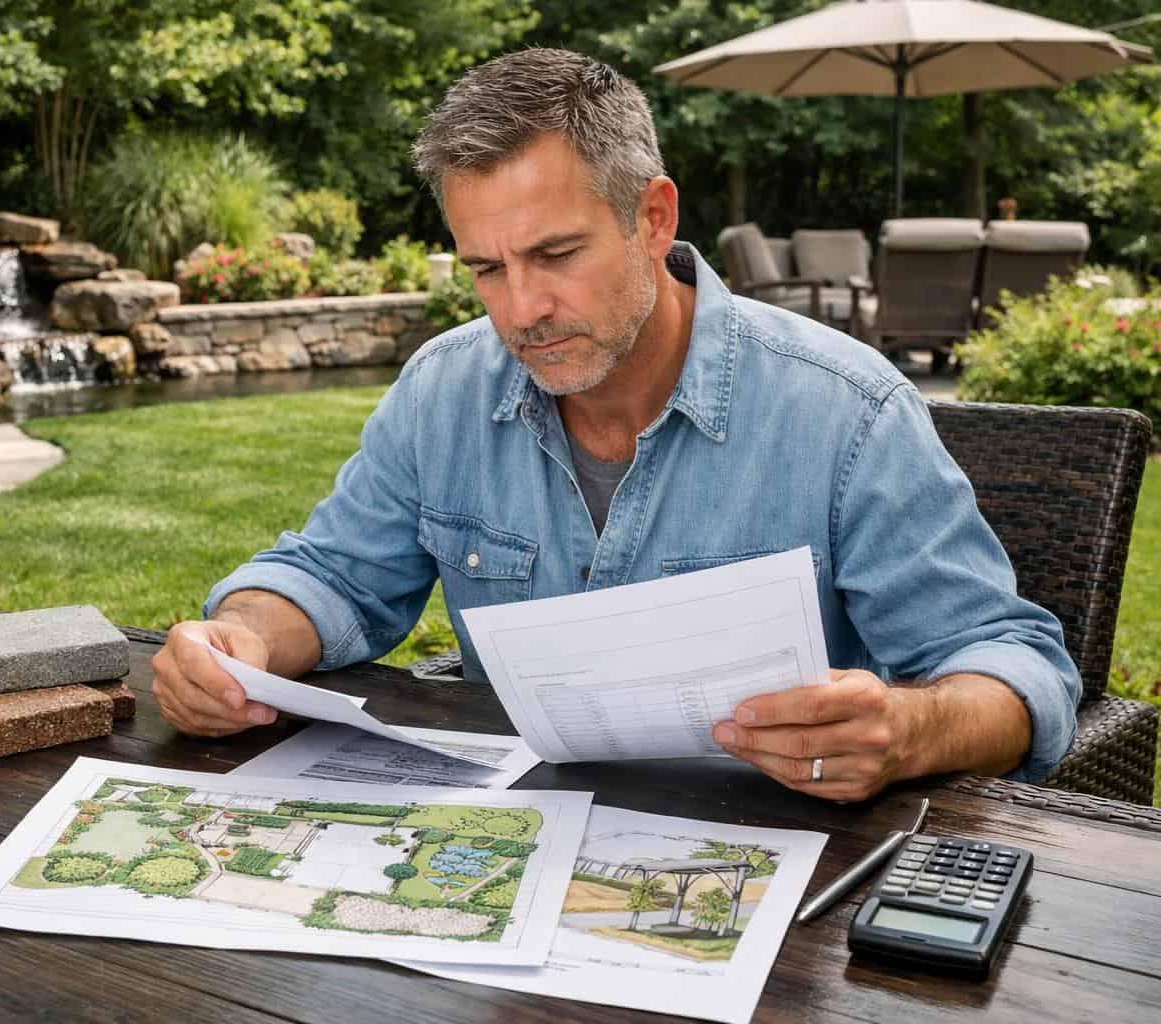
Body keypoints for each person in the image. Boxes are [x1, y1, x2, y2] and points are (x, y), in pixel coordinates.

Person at [152, 48, 1080, 802]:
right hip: (516, 853)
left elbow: (1014, 671)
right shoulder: (443, 391)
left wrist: (909, 729)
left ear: (653, 217)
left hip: (781, 883)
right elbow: (330, 579)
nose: (521, 310)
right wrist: (243, 639)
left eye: (556, 254)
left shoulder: (845, 410)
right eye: (486, 268)